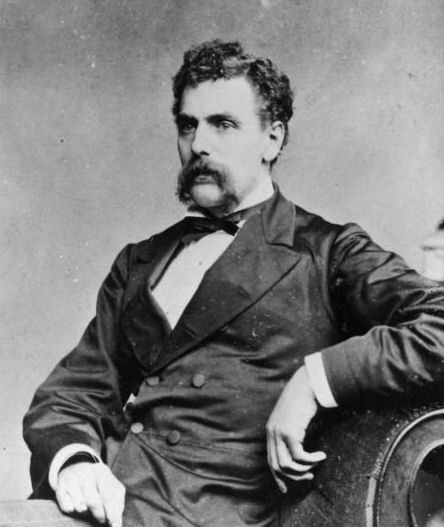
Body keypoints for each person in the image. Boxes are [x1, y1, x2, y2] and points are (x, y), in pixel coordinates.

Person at [23, 40, 444, 527]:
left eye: (223, 124)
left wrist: (313, 381)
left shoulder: (327, 251)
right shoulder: (140, 260)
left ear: (272, 139)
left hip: (206, 515)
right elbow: (73, 391)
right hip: (101, 502)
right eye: (188, 125)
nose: (199, 144)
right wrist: (75, 458)